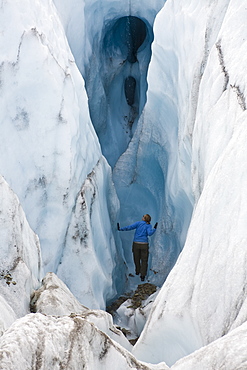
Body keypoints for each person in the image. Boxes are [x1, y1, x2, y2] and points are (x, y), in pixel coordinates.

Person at [117, 215, 158, 281]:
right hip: (144, 244)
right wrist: (154, 228)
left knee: (136, 258)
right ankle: (142, 275)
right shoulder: (148, 226)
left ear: (144, 218)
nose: (142, 217)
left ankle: (137, 271)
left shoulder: (138, 223)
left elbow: (130, 227)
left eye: (143, 216)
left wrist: (120, 229)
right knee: (144, 260)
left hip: (136, 243)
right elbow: (150, 233)